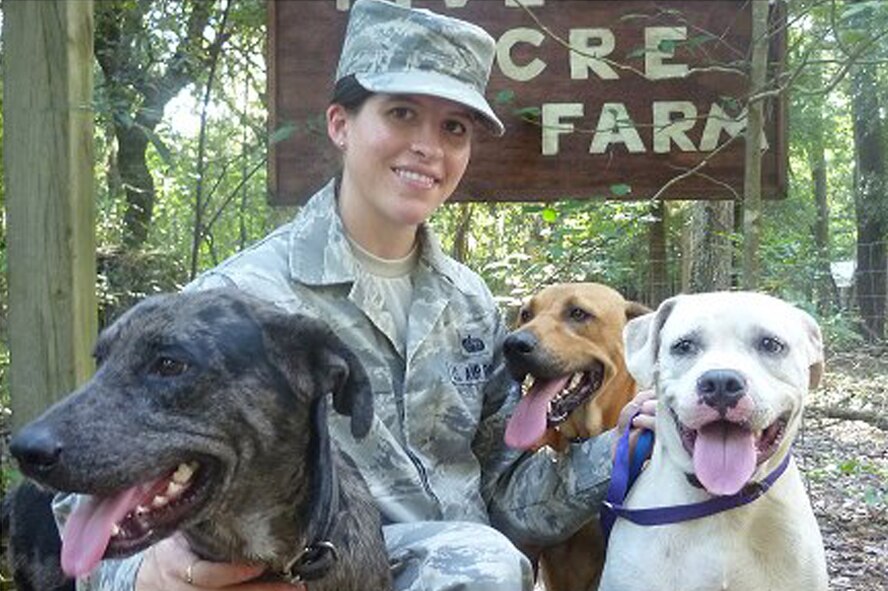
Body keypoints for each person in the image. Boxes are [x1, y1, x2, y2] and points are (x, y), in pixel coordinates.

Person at [54, 1, 651, 589]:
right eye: (401, 113)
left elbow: (510, 497)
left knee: (481, 557)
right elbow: (91, 483)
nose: (428, 146)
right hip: (316, 571)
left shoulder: (469, 301)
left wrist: (634, 437)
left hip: (471, 568)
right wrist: (149, 573)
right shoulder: (238, 301)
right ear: (341, 124)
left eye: (454, 128)